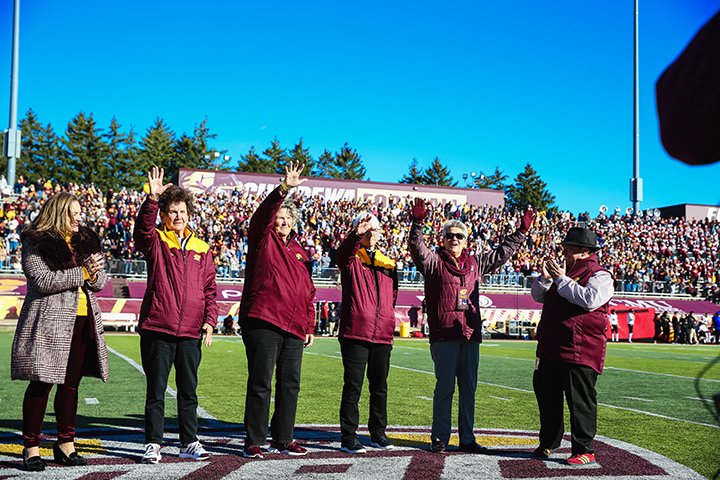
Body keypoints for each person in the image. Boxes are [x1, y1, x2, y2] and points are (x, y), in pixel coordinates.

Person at [408, 197, 535, 454]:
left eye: (459, 236)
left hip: (469, 334)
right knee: (444, 387)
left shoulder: (475, 264)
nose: (454, 239)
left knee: (469, 389)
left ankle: (467, 437)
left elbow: (502, 253)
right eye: (449, 235)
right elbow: (416, 248)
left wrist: (521, 232)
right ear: (442, 239)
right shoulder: (433, 263)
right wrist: (417, 224)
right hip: (444, 334)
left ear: (467, 241)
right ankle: (440, 438)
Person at [11, 192, 108, 471]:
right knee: (41, 382)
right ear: (58, 212)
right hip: (48, 321)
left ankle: (66, 443)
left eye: (80, 211)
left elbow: (99, 280)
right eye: (73, 212)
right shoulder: (36, 240)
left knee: (71, 385)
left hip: (82, 318)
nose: (79, 216)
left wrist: (95, 273)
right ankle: (30, 447)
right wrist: (84, 273)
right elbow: (42, 280)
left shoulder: (85, 240)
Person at [134, 167, 218, 464]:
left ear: (188, 213)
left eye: (182, 211)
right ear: (164, 215)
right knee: (156, 391)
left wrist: (209, 320)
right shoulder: (155, 239)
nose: (178, 216)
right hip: (159, 327)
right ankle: (153, 443)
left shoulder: (202, 247)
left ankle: (189, 441)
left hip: (191, 332)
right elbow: (141, 230)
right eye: (172, 211)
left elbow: (210, 289)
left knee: (189, 391)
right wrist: (152, 200)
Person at [239, 161, 316, 459]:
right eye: (280, 217)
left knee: (290, 384)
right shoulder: (263, 238)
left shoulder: (301, 252)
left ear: (294, 223)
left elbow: (308, 291)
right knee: (261, 382)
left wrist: (309, 325)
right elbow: (262, 217)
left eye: (287, 218)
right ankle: (254, 439)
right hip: (265, 319)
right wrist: (282, 191)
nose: (282, 222)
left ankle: (284, 438)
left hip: (295, 325)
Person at [531, 226, 614, 466]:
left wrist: (560, 278)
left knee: (580, 401)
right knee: (547, 398)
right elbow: (538, 296)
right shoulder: (564, 272)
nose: (563, 252)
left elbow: (590, 301)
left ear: (582, 251)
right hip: (551, 348)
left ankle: (584, 449)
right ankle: (548, 443)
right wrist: (546, 278)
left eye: (567, 248)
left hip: (581, 349)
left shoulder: (600, 275)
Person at [336, 212, 399, 454]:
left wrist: (387, 318)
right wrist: (356, 234)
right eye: (366, 229)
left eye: (375, 229)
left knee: (379, 386)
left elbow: (392, 295)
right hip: (356, 331)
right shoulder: (352, 258)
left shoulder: (389, 263)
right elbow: (342, 254)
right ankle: (348, 436)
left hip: (382, 332)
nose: (371, 233)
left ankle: (378, 433)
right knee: (353, 385)